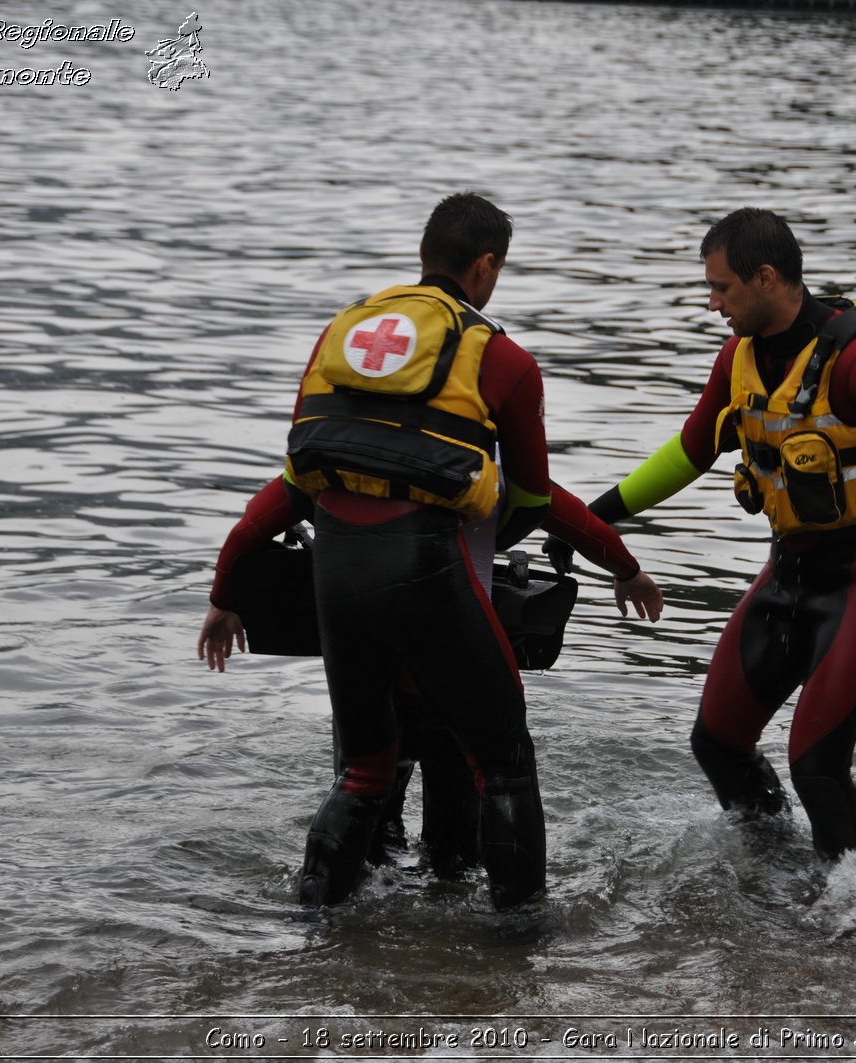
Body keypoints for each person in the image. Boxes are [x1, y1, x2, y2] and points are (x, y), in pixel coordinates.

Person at [196, 192, 660, 910]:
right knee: (502, 767)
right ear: (485, 266)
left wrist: (226, 597)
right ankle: (518, 947)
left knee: (364, 773)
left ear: (422, 255)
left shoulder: (341, 335)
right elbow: (541, 502)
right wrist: (619, 564)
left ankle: (315, 928)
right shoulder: (499, 360)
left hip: (338, 579)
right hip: (429, 581)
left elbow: (286, 490)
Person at [552, 207, 856, 860]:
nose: (713, 303)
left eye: (721, 288)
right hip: (785, 576)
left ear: (765, 278)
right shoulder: (739, 357)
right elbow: (691, 451)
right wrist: (591, 521)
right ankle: (775, 871)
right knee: (717, 741)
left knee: (816, 764)